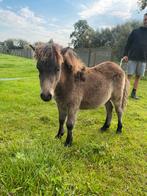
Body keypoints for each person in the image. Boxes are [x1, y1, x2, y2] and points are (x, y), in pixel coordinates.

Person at [123, 13, 147, 99]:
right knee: (129, 76)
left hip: (143, 59)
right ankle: (124, 93)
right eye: (145, 19)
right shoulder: (135, 32)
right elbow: (128, 44)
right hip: (132, 58)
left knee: (138, 77)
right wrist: (125, 54)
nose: (146, 21)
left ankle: (133, 93)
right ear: (143, 20)